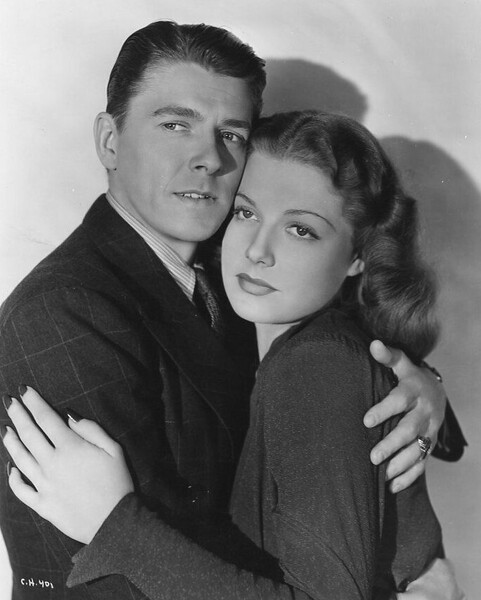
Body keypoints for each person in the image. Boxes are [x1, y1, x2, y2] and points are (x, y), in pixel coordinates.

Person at [0, 20, 465, 599]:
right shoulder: (65, 312)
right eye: (175, 124)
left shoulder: (239, 281)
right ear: (110, 142)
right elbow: (118, 580)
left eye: (231, 134)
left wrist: (423, 389)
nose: (208, 159)